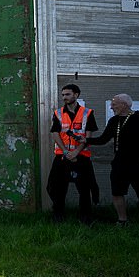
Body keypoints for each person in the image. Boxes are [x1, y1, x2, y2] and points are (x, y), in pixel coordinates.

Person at [85, 94, 139, 225]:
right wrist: (86, 140)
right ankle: (122, 220)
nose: (111, 107)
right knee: (117, 192)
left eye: (114, 104)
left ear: (124, 105)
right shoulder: (114, 121)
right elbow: (103, 139)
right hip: (120, 163)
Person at [46, 84, 100, 224]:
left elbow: (88, 135)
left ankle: (85, 218)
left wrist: (76, 151)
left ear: (76, 95)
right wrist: (65, 151)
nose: (64, 97)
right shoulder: (58, 113)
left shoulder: (87, 113)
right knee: (55, 187)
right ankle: (58, 216)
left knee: (84, 188)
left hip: (81, 157)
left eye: (68, 94)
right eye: (63, 95)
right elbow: (55, 133)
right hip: (62, 156)